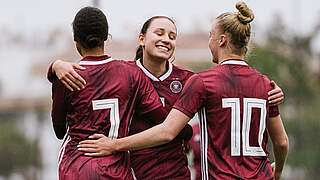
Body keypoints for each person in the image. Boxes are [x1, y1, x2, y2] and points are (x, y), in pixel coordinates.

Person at [51, 15, 284, 179]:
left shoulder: (191, 80)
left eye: (172, 35)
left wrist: (272, 93)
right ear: (141, 39)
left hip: (176, 174)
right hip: (136, 173)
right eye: (159, 33)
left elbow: (232, 87)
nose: (166, 39)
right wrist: (55, 65)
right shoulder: (127, 76)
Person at [50, 7, 171, 180]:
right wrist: (186, 133)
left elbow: (60, 130)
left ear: (75, 36)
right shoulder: (132, 74)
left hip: (76, 169)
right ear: (106, 36)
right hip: (116, 170)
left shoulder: (65, 75)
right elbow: (162, 119)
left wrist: (54, 67)